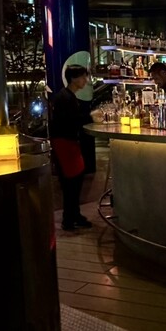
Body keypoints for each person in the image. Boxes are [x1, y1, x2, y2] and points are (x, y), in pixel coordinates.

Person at [49, 64, 93, 231]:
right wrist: (90, 116)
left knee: (74, 180)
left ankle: (74, 215)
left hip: (67, 142)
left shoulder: (67, 95)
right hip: (65, 143)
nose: (85, 80)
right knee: (71, 182)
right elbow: (71, 121)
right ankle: (69, 219)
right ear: (74, 78)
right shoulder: (65, 97)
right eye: (83, 77)